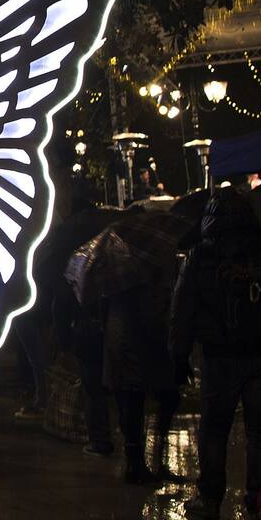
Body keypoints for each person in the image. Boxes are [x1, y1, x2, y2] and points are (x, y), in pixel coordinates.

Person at [170, 190, 261, 520]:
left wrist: (178, 356)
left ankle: (209, 499)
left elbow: (182, 312)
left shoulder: (201, 257)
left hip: (220, 358)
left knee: (214, 429)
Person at [100, 216, 185, 487]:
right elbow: (155, 314)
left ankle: (142, 460)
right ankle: (139, 462)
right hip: (140, 345)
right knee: (144, 401)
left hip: (124, 345)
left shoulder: (114, 273)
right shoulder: (141, 273)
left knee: (137, 402)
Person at [42, 185, 119, 455]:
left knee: (93, 387)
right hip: (115, 331)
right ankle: (122, 439)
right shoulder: (117, 250)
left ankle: (99, 439)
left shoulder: (74, 259)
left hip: (88, 331)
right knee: (113, 387)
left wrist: (64, 341)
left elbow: (62, 302)